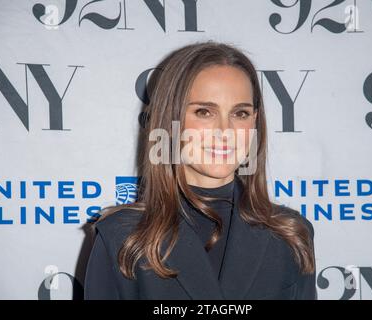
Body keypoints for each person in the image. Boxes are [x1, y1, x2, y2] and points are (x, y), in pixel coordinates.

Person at [84, 41, 316, 300]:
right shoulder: (123, 237)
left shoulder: (290, 233)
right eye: (204, 112)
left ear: (254, 122)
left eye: (240, 113)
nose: (225, 131)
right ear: (170, 121)